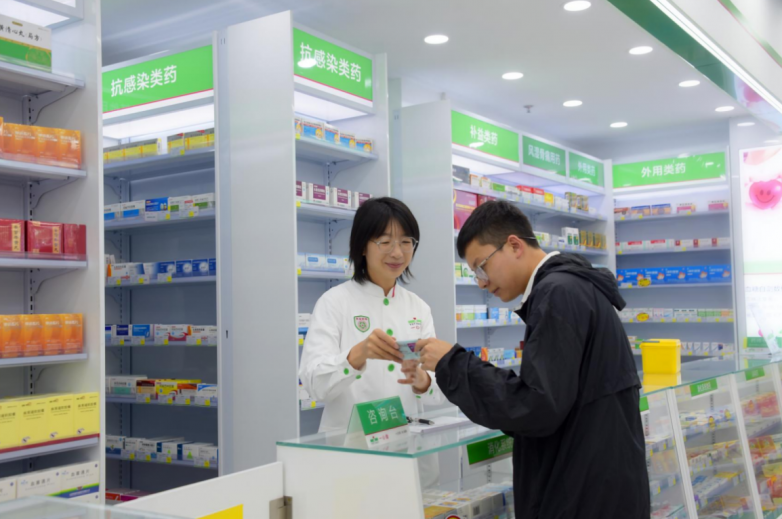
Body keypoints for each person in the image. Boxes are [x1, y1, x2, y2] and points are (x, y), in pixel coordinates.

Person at [417, 200, 649, 519]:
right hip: (597, 485)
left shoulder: (558, 293)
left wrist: (452, 363)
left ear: (514, 245)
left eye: (481, 267)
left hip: (583, 493)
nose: (481, 282)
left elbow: (537, 407)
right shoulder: (571, 286)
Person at [299, 197, 442, 434]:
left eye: (406, 242)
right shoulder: (334, 302)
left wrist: (421, 380)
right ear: (363, 246)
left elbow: (437, 389)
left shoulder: (419, 308)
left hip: (406, 442)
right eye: (385, 242)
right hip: (350, 444)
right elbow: (314, 384)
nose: (397, 253)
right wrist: (357, 355)